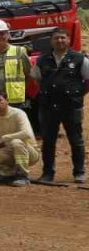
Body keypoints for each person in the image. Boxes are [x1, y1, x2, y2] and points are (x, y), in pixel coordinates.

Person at [32, 27, 89, 186]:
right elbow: (37, 79)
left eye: (63, 37)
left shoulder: (79, 58)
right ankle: (47, 173)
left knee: (76, 140)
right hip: (48, 107)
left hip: (71, 106)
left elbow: (88, 80)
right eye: (56, 38)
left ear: (68, 40)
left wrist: (77, 94)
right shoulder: (42, 60)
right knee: (48, 141)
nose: (60, 40)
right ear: (51, 41)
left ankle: (79, 172)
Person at [0, 90, 40, 187]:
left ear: (7, 101)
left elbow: (27, 133)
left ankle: (22, 176)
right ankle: (11, 174)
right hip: (8, 152)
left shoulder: (19, 113)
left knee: (16, 142)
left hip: (28, 151)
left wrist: (5, 138)